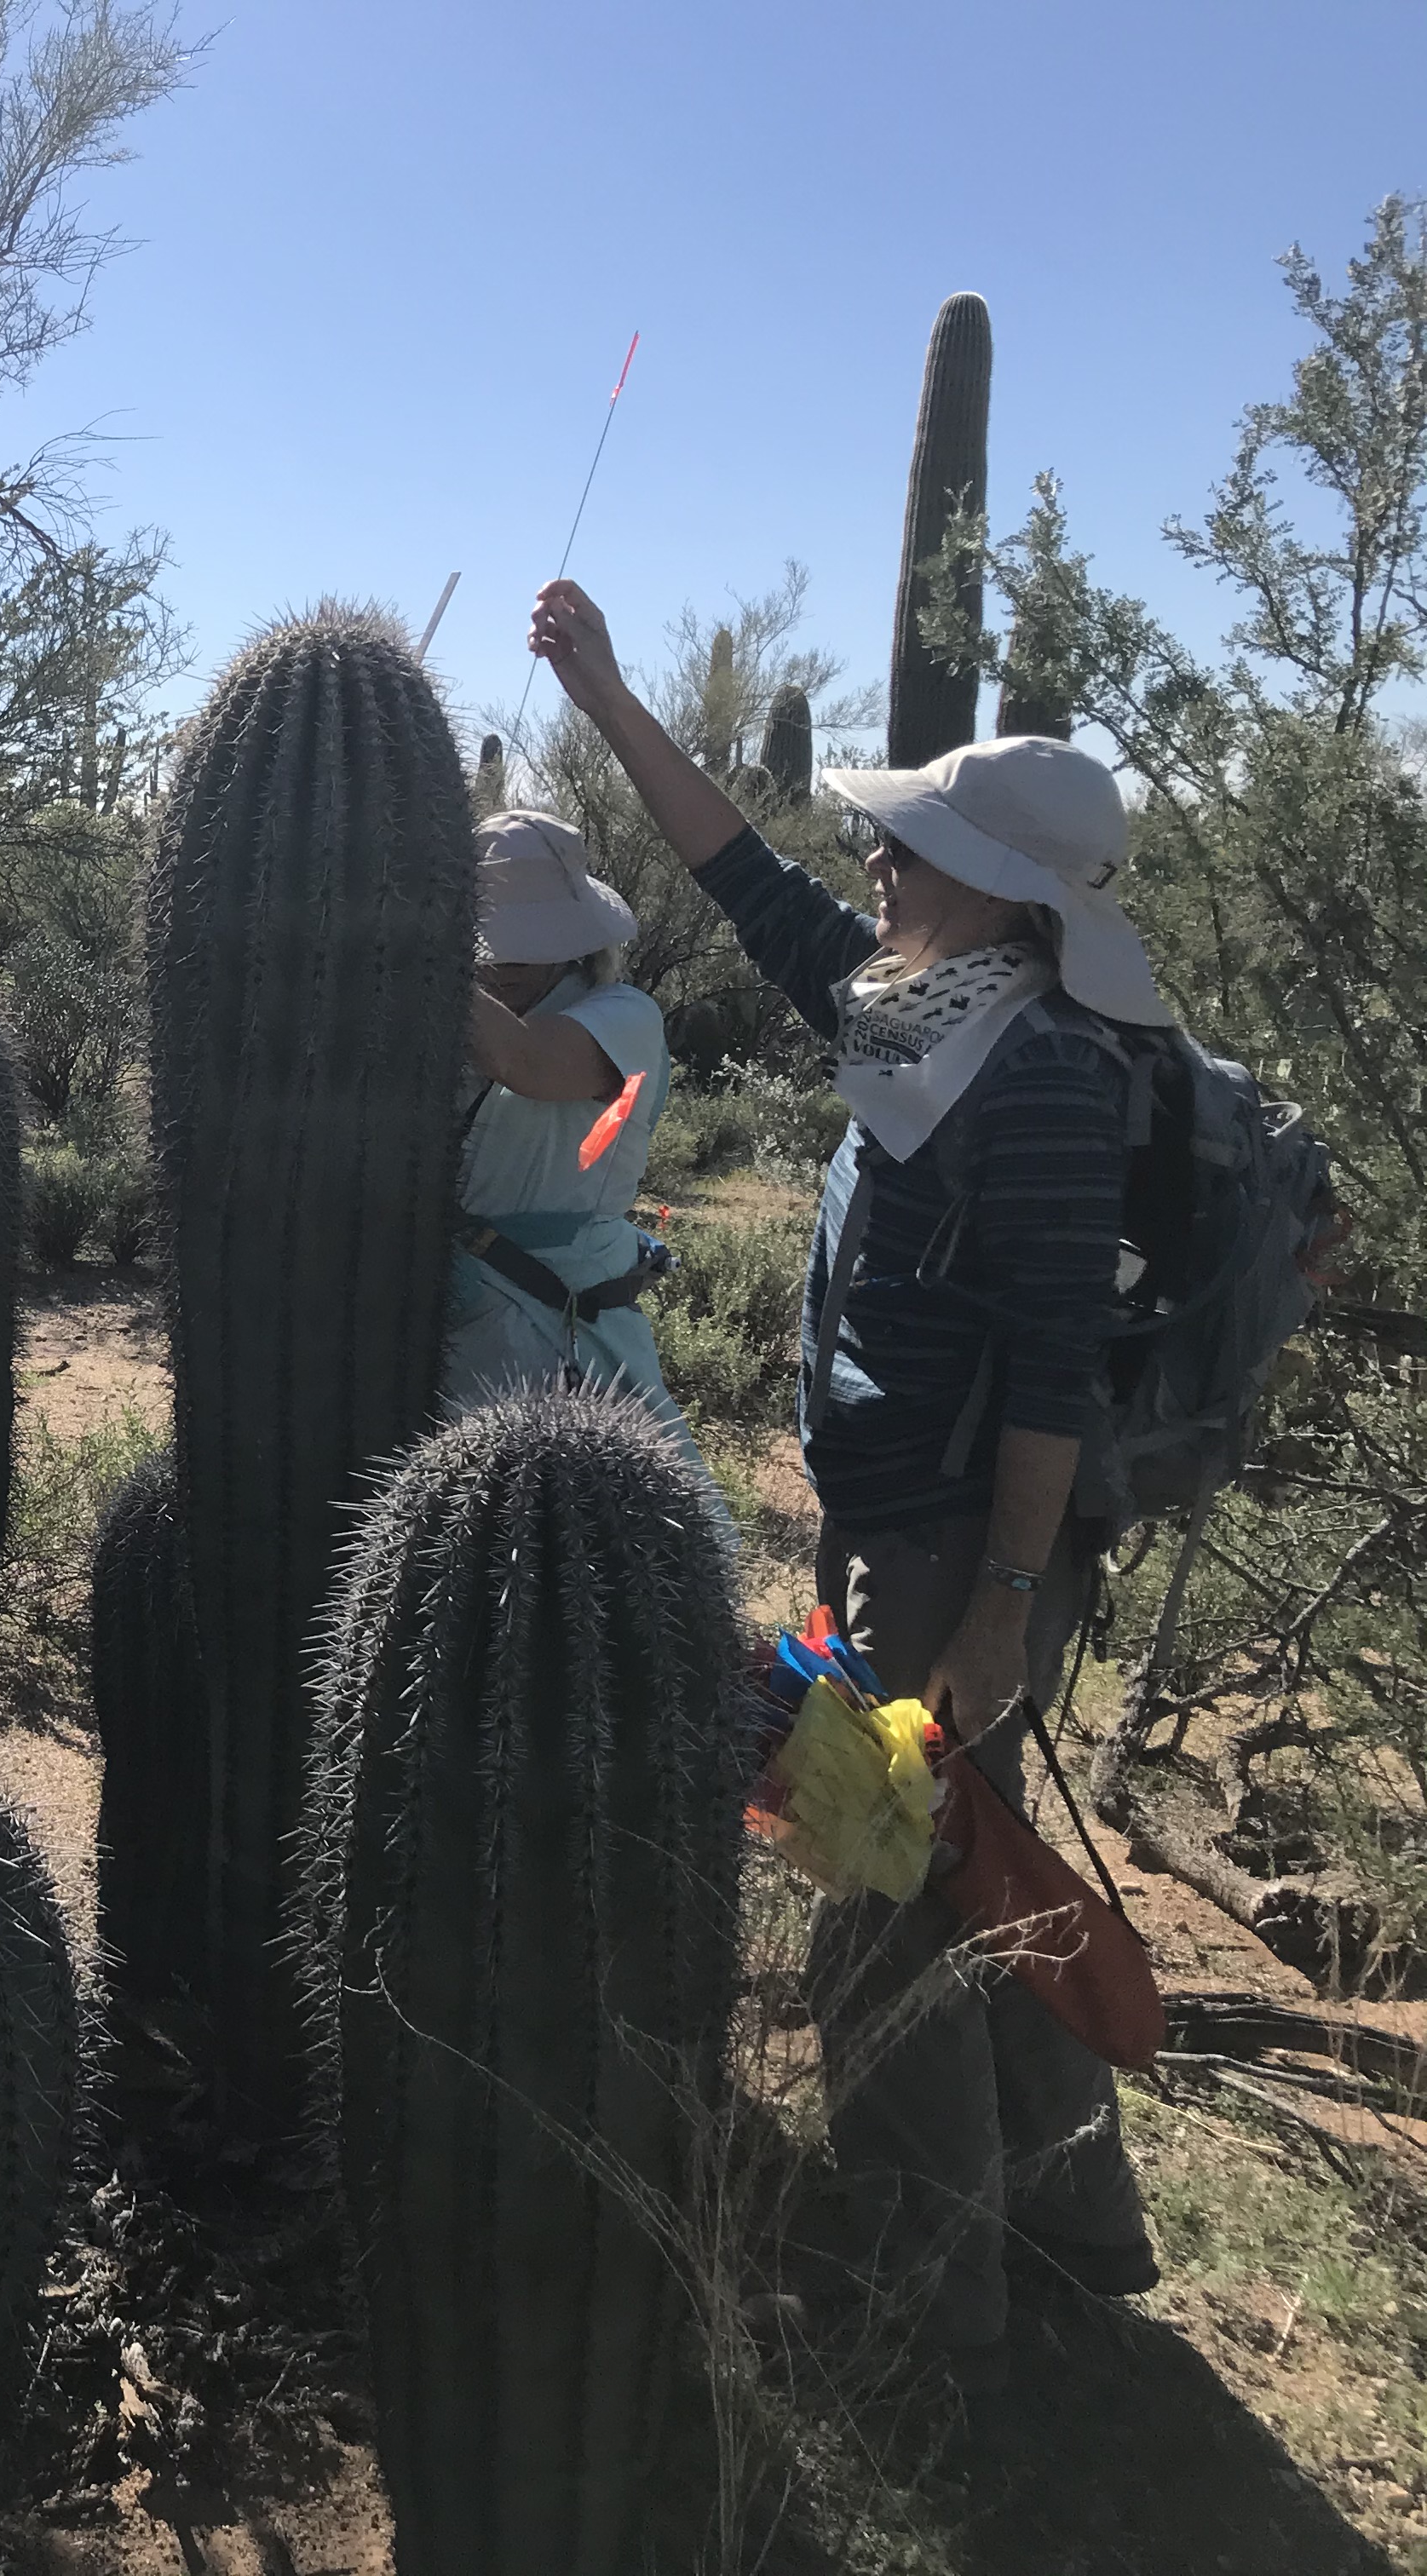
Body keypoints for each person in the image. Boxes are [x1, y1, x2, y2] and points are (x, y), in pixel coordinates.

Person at [530, 578, 1159, 2395]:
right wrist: (613, 688)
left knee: (878, 1911)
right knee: (978, 1865)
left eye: (918, 850)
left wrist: (1003, 1601)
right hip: (910, 1530)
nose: (880, 869)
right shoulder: (921, 1017)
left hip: (961, 1547)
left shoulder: (1030, 1074)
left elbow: (1048, 1370)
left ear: (1009, 898)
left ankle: (922, 2293)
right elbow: (743, 874)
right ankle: (1071, 2217)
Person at [445, 808, 705, 1472]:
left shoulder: (624, 1017)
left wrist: (423, 948)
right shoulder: (455, 1014)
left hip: (560, 1318)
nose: (498, 960)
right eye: (486, 943)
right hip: (445, 1312)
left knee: (597, 1522)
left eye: (516, 943)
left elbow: (530, 1065)